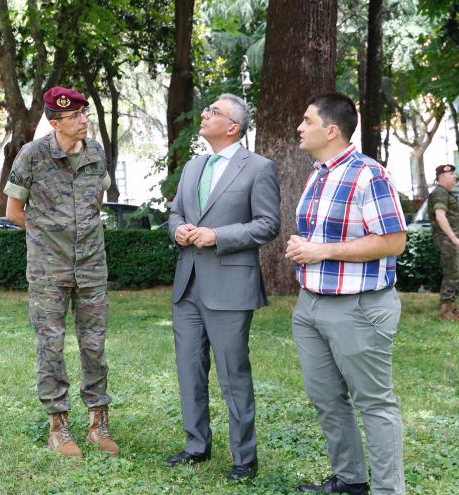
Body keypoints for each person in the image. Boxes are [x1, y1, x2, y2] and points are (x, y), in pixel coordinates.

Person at [288, 92, 406, 495]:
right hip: (311, 306)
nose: (300, 127)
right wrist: (304, 246)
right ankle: (350, 480)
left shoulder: (368, 173)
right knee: (327, 399)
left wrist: (322, 250)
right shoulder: (319, 172)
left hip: (358, 308)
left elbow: (393, 241)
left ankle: (388, 490)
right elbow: (325, 233)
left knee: (374, 403)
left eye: (307, 121)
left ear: (332, 130)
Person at [166, 94, 280, 481]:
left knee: (234, 375)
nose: (204, 113)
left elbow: (268, 224)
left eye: (213, 111)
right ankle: (196, 446)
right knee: (189, 371)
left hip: (231, 286)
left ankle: (244, 459)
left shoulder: (259, 167)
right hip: (188, 286)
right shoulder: (194, 166)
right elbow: (176, 212)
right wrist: (177, 229)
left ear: (233, 126)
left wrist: (218, 235)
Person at [3, 86, 118, 458]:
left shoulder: (97, 154)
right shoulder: (32, 156)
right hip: (48, 272)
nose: (84, 120)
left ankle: (99, 422)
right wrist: (49, 240)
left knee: (94, 345)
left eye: (85, 114)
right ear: (55, 122)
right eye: (75, 116)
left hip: (92, 267)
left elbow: (95, 202)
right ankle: (58, 424)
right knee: (50, 347)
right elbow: (14, 213)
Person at [427, 163, 459, 321]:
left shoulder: (446, 193)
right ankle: (446, 311)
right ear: (442, 177)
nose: (455, 177)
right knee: (451, 273)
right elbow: (440, 216)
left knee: (455, 272)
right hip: (447, 240)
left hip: (450, 240)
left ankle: (452, 309)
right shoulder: (440, 193)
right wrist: (454, 238)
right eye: (452, 175)